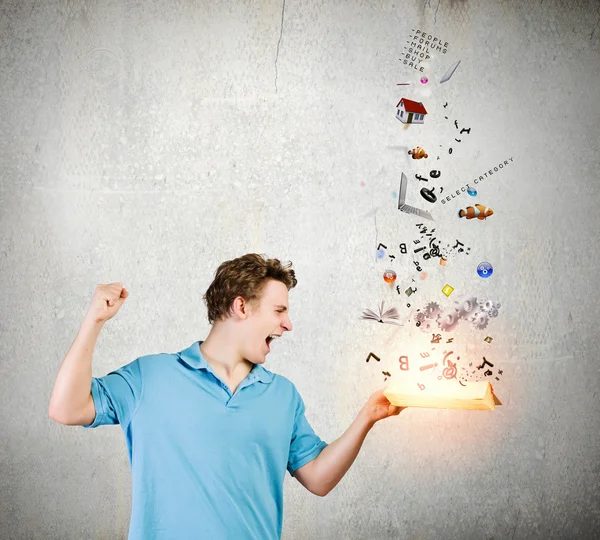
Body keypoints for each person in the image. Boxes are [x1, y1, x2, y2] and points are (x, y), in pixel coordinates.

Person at [49, 253, 403, 539]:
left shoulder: (282, 396)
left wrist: (367, 417)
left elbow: (319, 479)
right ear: (241, 307)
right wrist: (94, 320)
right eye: (279, 311)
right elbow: (67, 408)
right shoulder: (150, 377)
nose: (288, 324)